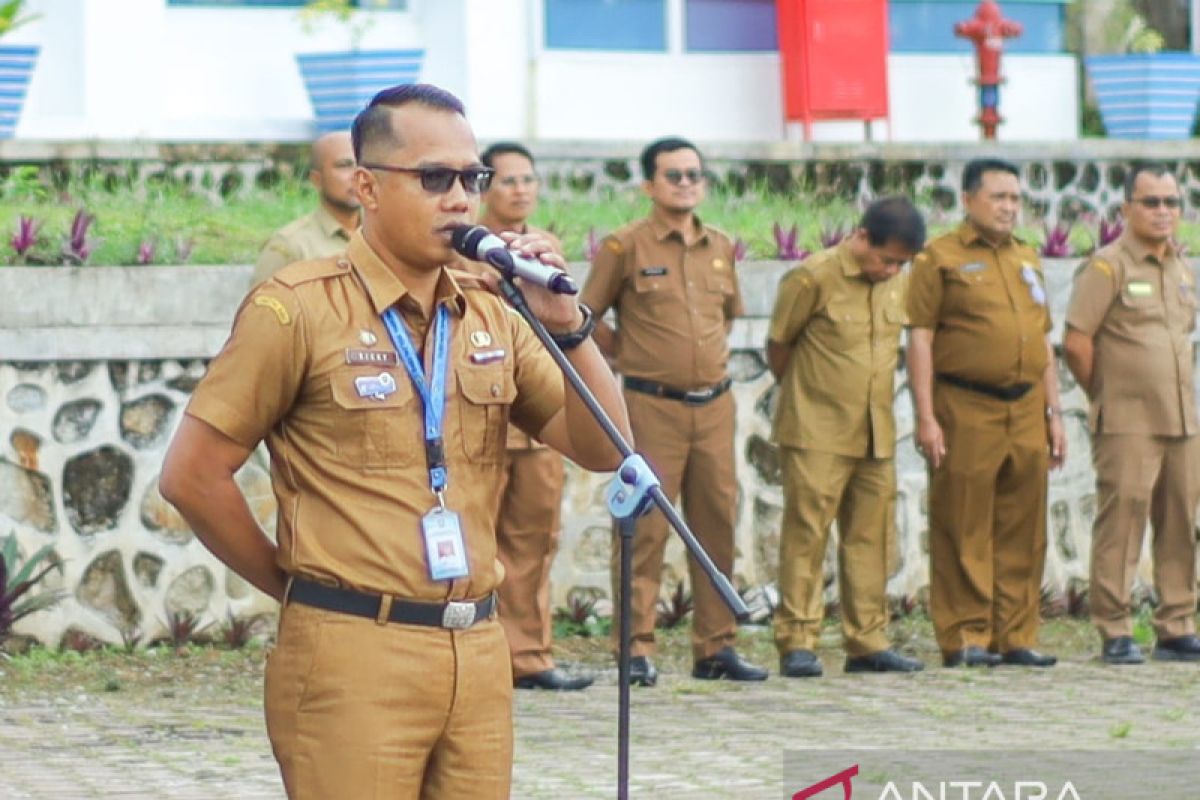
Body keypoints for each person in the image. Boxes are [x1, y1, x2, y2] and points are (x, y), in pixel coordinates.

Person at [158, 84, 630, 799]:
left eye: (471, 179)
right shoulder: (297, 308)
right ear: (369, 186)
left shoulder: (490, 312)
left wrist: (567, 325)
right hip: (354, 650)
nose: (460, 200)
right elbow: (192, 477)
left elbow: (605, 448)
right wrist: (295, 587)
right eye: (434, 178)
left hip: (475, 648)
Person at [580, 136, 767, 686]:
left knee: (716, 524)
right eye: (673, 176)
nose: (685, 183)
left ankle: (716, 647)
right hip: (649, 406)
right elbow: (588, 316)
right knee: (645, 529)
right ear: (649, 186)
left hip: (713, 406)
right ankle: (634, 648)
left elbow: (727, 317)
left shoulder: (721, 245)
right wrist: (631, 359)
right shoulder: (624, 247)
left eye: (693, 174)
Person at [906, 158, 1066, 669]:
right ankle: (966, 635)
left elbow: (1043, 338)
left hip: (1024, 408)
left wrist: (1054, 413)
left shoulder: (1027, 257)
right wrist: (926, 416)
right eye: (998, 197)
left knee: (1024, 525)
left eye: (1015, 199)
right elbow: (921, 336)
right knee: (963, 521)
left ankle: (1015, 634)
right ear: (969, 200)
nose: (1008, 207)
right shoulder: (940, 257)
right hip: (965, 403)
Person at [766, 197, 927, 678]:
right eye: (886, 259)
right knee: (806, 536)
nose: (891, 270)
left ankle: (868, 640)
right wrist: (809, 397)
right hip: (817, 430)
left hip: (876, 431)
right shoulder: (813, 277)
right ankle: (797, 640)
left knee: (871, 538)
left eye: (901, 263)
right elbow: (779, 348)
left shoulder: (898, 282)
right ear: (860, 238)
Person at [1063, 163, 1200, 666]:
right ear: (1126, 209)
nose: (1163, 212)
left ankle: (1176, 624)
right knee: (1122, 524)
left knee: (1181, 522)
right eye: (1151, 202)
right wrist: (1107, 393)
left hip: (1182, 420)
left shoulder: (1180, 268)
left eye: (1171, 202)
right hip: (1127, 422)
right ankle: (1116, 628)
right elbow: (1076, 342)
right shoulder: (1107, 267)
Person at [475, 142, 590, 691]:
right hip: (484, 412)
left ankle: (530, 655)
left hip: (539, 420)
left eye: (528, 180)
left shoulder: (544, 250)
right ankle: (485, 654)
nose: (520, 190)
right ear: (483, 188)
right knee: (479, 540)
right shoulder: (462, 251)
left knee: (535, 540)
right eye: (507, 181)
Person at [252, 130, 360, 284]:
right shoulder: (289, 246)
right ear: (316, 179)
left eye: (363, 165)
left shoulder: (380, 237)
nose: (357, 175)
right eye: (344, 165)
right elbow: (263, 306)